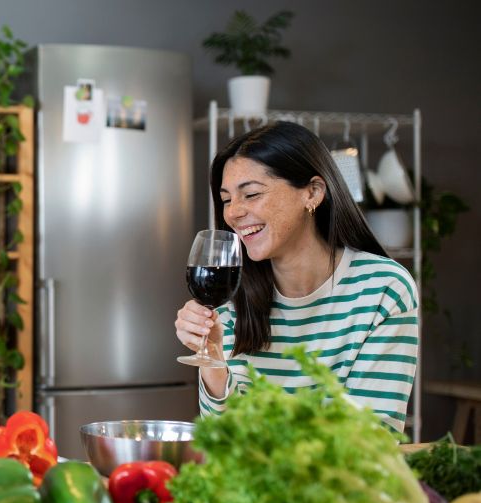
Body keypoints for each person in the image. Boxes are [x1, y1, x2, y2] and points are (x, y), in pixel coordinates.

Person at [174, 121, 418, 433]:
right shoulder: (231, 295)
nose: (233, 213)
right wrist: (213, 360)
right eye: (226, 199)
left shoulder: (383, 289)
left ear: (313, 193)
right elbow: (224, 438)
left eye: (251, 194)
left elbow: (375, 433)